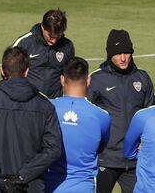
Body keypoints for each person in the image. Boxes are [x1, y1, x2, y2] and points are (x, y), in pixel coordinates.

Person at [0, 46, 62, 192]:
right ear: (26, 71)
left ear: (2, 70)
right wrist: (21, 177)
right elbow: (53, 148)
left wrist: (1, 180)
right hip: (30, 186)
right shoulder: (44, 104)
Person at [87, 29, 154, 193]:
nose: (123, 58)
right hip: (105, 159)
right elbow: (85, 116)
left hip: (134, 161)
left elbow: (151, 116)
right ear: (110, 55)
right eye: (118, 53)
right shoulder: (96, 79)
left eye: (127, 52)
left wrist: (145, 142)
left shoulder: (142, 78)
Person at [44, 57, 111, 192]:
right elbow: (101, 146)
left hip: (50, 186)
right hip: (84, 187)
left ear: (62, 80)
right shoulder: (102, 116)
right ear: (88, 81)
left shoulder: (46, 108)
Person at [13, 8, 75, 99]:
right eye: (50, 36)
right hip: (29, 101)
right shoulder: (24, 43)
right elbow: (9, 72)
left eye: (57, 36)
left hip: (55, 104)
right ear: (43, 27)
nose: (53, 41)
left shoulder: (67, 46)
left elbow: (70, 77)